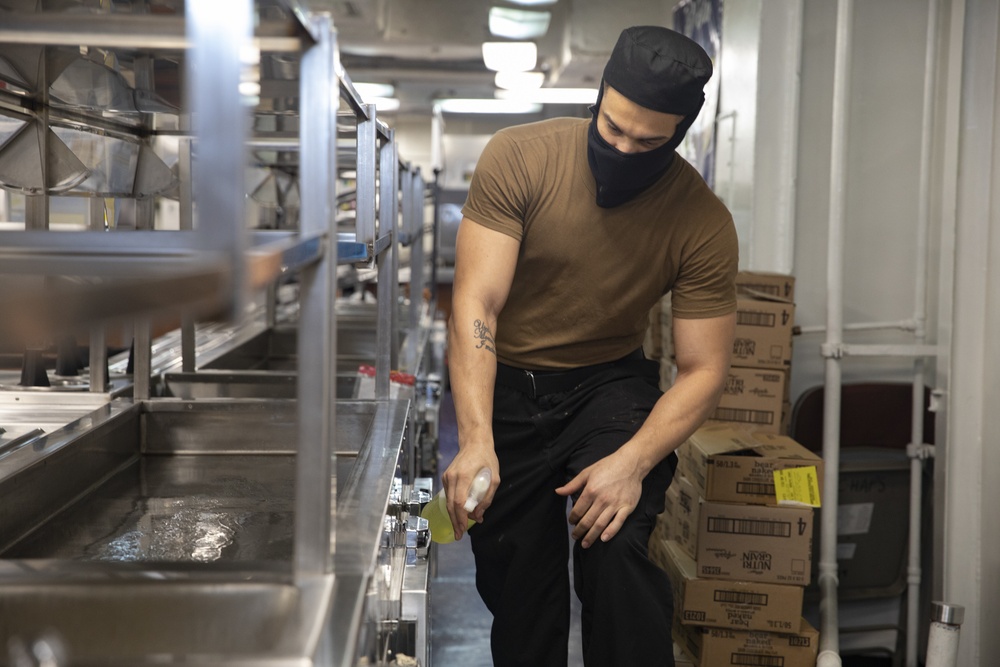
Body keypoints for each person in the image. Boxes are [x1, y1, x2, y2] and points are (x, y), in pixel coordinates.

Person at [441, 25, 738, 667]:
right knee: (520, 589)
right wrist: (475, 438)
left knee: (618, 544)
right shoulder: (519, 157)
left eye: (649, 141)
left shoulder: (701, 220)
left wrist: (631, 463)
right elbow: (477, 304)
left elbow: (704, 368)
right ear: (598, 97)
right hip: (508, 386)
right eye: (613, 129)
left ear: (681, 133)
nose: (626, 148)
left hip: (606, 389)